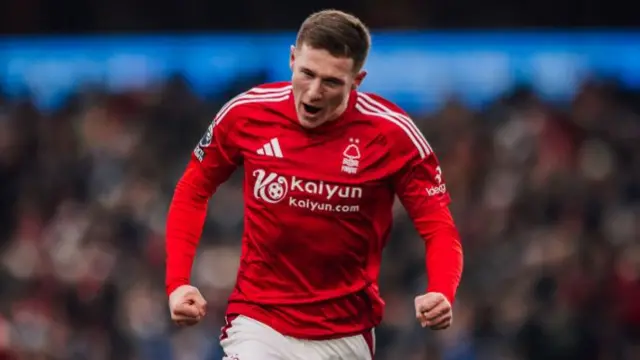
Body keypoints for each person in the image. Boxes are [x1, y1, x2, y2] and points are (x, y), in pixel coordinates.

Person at [165, 9, 463, 360]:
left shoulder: (393, 136)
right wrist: (178, 282)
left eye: (332, 82)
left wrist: (442, 290)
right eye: (307, 73)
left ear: (358, 80)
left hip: (346, 333)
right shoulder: (246, 114)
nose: (315, 91)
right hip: (259, 322)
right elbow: (192, 190)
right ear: (292, 59)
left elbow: (439, 228)